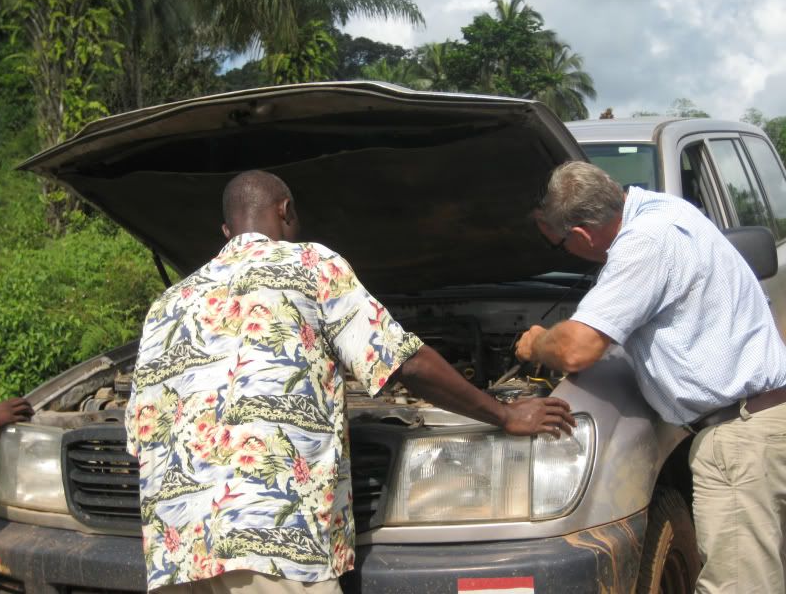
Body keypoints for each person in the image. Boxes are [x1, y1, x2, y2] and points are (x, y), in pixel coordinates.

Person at [126, 170, 575, 594]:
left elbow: (141, 433)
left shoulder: (169, 303)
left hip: (176, 552)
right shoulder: (310, 263)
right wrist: (504, 414)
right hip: (270, 542)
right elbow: (405, 364)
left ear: (227, 231)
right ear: (286, 210)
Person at [516, 160, 786, 593]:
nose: (567, 253)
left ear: (582, 234)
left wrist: (536, 343)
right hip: (758, 420)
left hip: (737, 437)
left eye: (561, 245)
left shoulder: (644, 244)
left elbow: (575, 349)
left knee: (739, 584)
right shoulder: (667, 209)